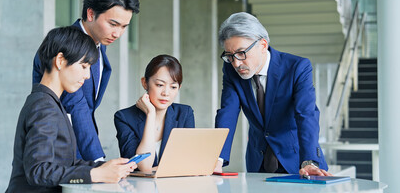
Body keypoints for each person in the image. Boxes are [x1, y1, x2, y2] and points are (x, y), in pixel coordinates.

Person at [6, 27, 136, 193]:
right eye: (83, 66)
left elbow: (64, 163)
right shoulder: (44, 106)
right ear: (60, 60)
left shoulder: (50, 102)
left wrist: (104, 167)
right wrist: (95, 174)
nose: (88, 75)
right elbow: (38, 171)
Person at [32, 0, 140, 161]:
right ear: (91, 14)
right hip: (56, 155)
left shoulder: (99, 45)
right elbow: (77, 106)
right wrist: (98, 161)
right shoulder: (64, 46)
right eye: (113, 24)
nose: (118, 33)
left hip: (79, 152)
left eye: (124, 27)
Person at [214, 12, 330, 176]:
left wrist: (309, 161)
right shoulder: (230, 70)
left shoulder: (297, 67)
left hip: (298, 162)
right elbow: (228, 112)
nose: (236, 63)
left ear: (262, 45)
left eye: (241, 53)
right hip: (258, 162)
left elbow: (306, 114)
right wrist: (217, 159)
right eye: (230, 56)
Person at [114, 55, 195, 172]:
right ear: (145, 83)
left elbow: (190, 162)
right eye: (159, 85)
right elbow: (143, 167)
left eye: (173, 87)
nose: (166, 93)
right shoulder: (124, 118)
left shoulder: (185, 114)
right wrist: (150, 115)